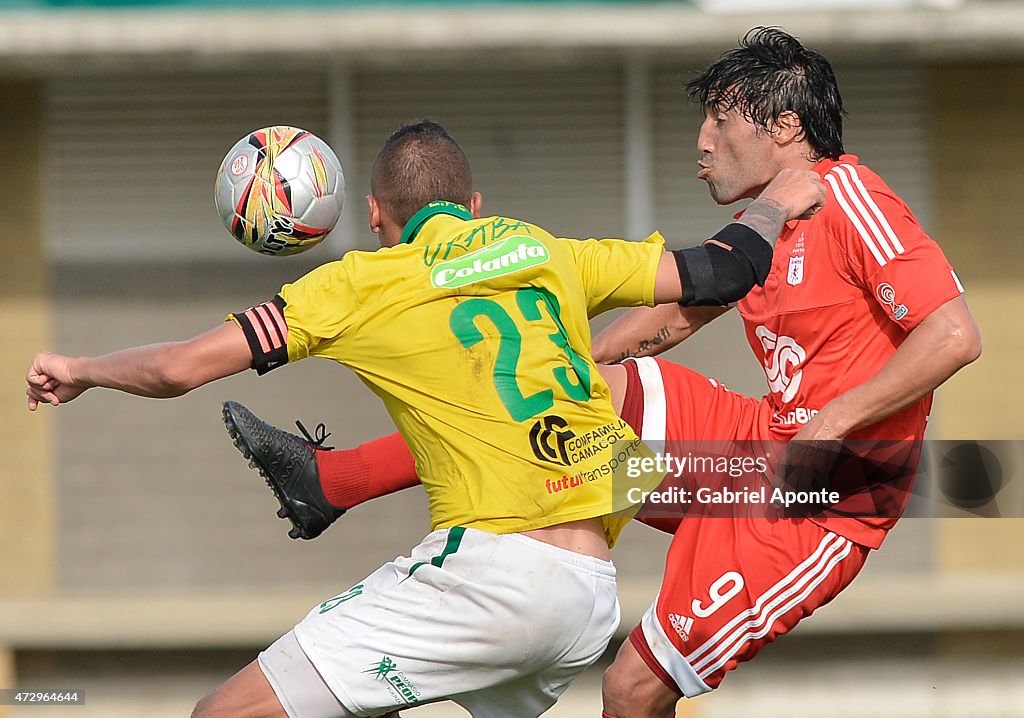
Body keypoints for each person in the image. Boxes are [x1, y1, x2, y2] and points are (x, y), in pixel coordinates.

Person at [236, 29, 982, 718]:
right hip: (759, 447)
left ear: (785, 128)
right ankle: (333, 481)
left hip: (824, 492)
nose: (702, 141)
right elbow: (683, 311)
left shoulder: (853, 199)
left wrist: (835, 420)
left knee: (630, 689)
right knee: (597, 399)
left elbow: (952, 334)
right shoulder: (775, 222)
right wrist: (571, 366)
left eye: (721, 121)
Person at [25, 119, 824, 718]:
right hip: (588, 600)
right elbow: (723, 270)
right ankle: (332, 483)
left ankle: (329, 482)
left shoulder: (359, 284)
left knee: (219, 716)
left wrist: (81, 370)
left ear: (374, 215)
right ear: (475, 206)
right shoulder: (543, 249)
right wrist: (778, 203)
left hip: (492, 576)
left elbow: (176, 368)